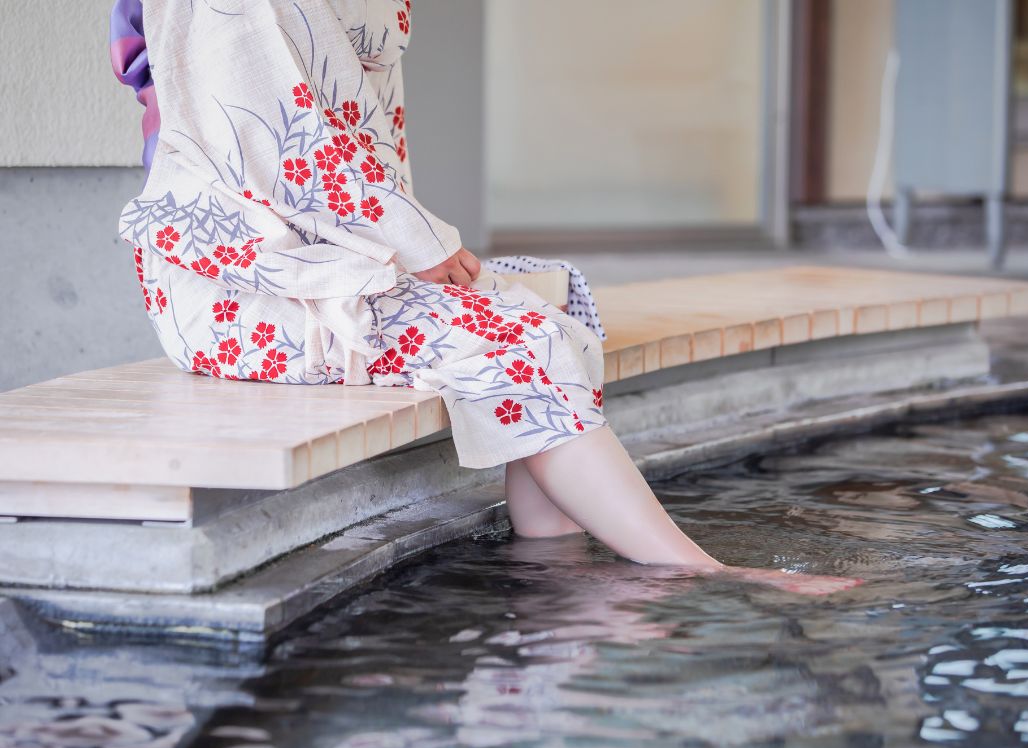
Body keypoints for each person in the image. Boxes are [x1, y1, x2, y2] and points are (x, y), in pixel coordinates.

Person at [110, 0, 860, 595]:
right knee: (515, 339)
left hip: (336, 246)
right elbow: (278, 150)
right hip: (243, 282)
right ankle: (699, 574)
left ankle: (554, 566)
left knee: (551, 302)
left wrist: (405, 242)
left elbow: (352, 136)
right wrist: (415, 243)